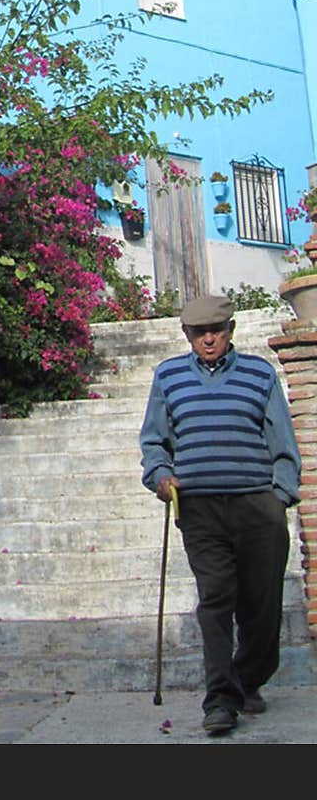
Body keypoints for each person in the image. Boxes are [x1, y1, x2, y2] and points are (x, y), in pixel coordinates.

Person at [139, 293, 301, 736]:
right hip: (200, 508)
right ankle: (221, 701)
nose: (208, 339)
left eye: (216, 330)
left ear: (231, 331)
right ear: (186, 335)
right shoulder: (169, 376)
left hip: (257, 505)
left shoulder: (259, 374)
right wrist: (160, 475)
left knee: (261, 605)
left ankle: (248, 679)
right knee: (215, 600)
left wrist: (281, 495)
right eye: (198, 332)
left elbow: (282, 440)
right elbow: (154, 441)